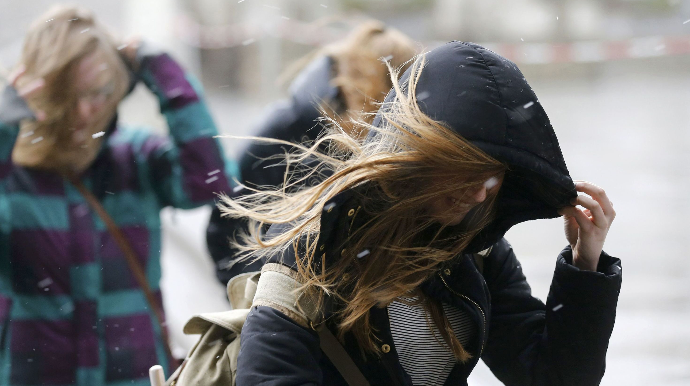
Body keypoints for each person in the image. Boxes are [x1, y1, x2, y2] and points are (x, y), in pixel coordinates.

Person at [221, 41, 621, 385]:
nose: (481, 194)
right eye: (466, 172)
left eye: (494, 175)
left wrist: (585, 266)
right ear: (418, 159)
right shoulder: (313, 253)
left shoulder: (479, 251)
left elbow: (550, 376)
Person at [0, 5, 234, 386]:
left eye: (98, 92)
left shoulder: (137, 157)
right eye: (67, 94)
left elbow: (206, 181)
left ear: (120, 87)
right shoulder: (12, 174)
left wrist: (165, 75)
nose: (82, 112)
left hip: (136, 373)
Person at [207, 20, 418, 284]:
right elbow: (229, 227)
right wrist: (266, 296)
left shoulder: (395, 144)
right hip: (278, 301)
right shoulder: (287, 130)